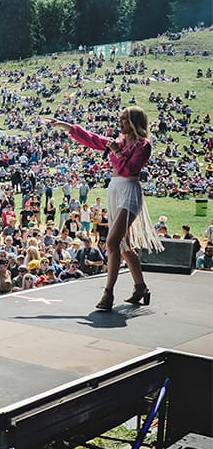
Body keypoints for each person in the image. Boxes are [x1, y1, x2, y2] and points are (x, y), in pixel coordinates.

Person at [45, 108, 163, 310]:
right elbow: (94, 140)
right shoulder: (121, 141)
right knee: (123, 244)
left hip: (129, 192)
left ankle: (108, 293)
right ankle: (140, 287)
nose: (121, 123)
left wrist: (116, 152)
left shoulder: (143, 145)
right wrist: (67, 127)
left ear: (135, 122)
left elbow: (129, 170)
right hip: (115, 190)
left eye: (125, 120)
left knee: (112, 241)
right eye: (121, 119)